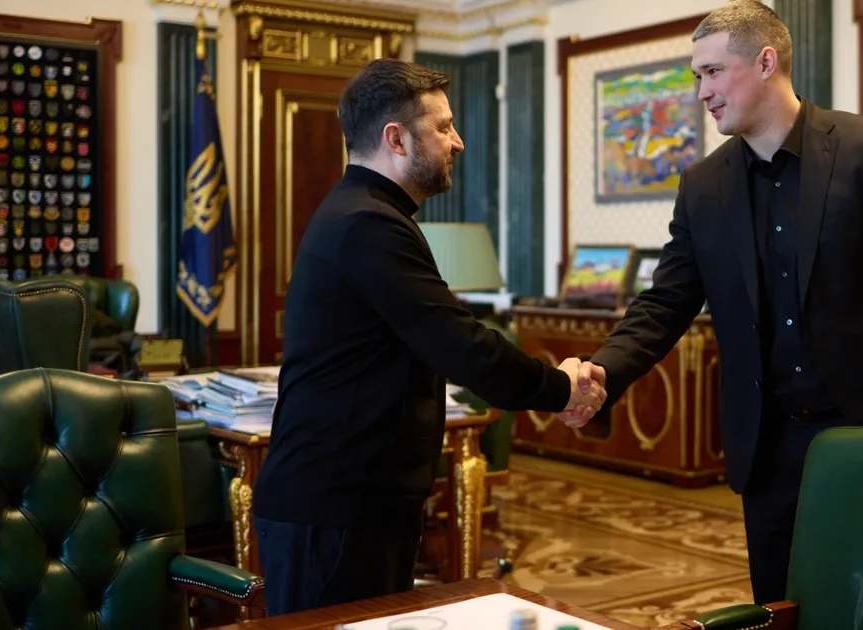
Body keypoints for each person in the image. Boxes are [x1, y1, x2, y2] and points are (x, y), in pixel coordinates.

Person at [558, 0, 863, 605]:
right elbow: (665, 302)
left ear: (766, 62)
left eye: (713, 72)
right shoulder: (702, 186)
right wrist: (605, 369)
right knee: (782, 610)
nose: (702, 93)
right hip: (768, 454)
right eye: (697, 76)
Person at [252, 58, 606, 616]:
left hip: (355, 503)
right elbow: (459, 343)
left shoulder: (369, 213)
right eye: (442, 127)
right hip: (335, 508)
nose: (457, 141)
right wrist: (560, 388)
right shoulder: (368, 223)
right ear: (396, 139)